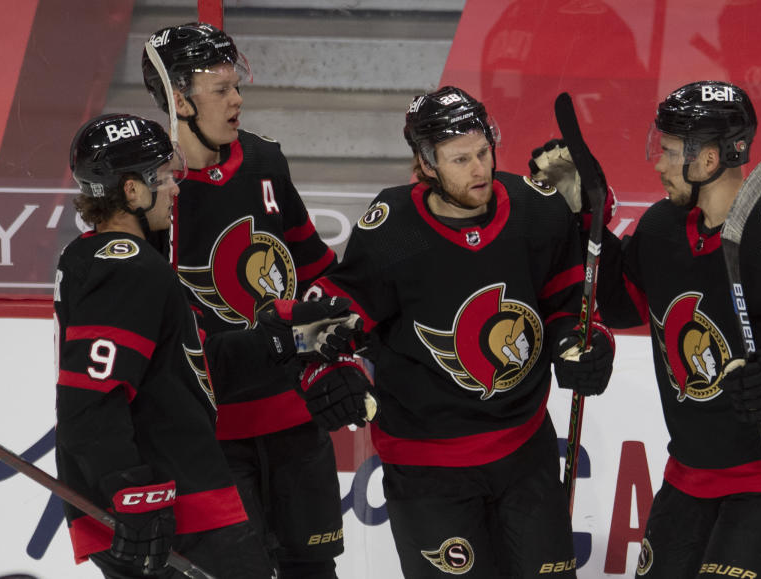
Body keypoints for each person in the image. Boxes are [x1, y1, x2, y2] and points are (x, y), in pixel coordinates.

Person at [530, 80, 761, 578]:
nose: (657, 163)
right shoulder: (661, 228)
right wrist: (586, 216)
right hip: (693, 472)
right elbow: (618, 304)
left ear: (709, 160)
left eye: (671, 151)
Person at [305, 85, 616, 578]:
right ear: (426, 165)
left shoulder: (535, 210)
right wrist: (330, 369)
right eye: (459, 159)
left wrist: (582, 342)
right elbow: (333, 323)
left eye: (483, 152)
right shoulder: (393, 229)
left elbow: (565, 304)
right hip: (429, 470)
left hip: (525, 453)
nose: (480, 169)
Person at [57, 113, 357, 578]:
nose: (176, 189)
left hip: (172, 495)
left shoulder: (107, 257)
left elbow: (190, 369)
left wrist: (291, 339)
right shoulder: (126, 265)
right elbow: (89, 399)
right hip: (171, 501)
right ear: (132, 191)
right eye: (162, 178)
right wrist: (129, 490)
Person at [142, 23, 349, 578]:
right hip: (209, 441)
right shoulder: (151, 191)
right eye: (221, 90)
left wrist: (338, 346)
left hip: (293, 423)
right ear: (179, 101)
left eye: (238, 87)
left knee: (314, 570)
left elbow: (318, 270)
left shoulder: (263, 161)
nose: (237, 101)